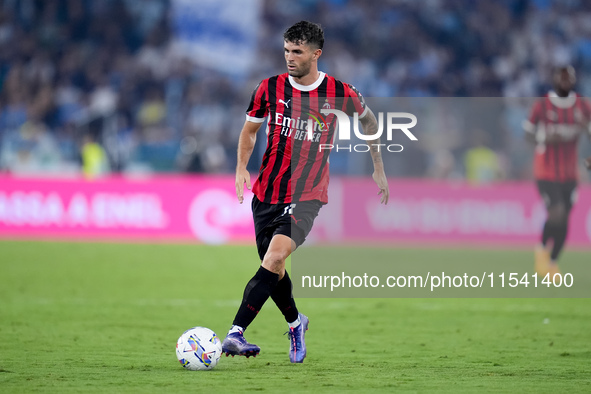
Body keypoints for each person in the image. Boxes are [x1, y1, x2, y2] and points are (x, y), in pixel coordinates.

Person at [221, 21, 389, 363]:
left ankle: (235, 332)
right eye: (286, 50)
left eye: (296, 51)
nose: (289, 57)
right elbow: (250, 131)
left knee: (275, 258)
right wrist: (241, 167)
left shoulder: (341, 93)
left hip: (308, 194)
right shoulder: (269, 88)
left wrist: (378, 167)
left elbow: (369, 123)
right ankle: (296, 323)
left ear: (316, 53)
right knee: (274, 270)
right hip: (266, 193)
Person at [524, 65, 591, 276]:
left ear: (573, 80)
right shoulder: (542, 105)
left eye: (568, 78)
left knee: (565, 218)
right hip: (545, 171)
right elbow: (528, 134)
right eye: (561, 78)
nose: (564, 82)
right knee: (557, 212)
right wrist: (544, 138)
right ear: (554, 79)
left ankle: (552, 262)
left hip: (570, 173)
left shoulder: (582, 106)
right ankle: (543, 248)